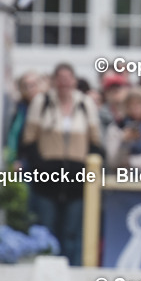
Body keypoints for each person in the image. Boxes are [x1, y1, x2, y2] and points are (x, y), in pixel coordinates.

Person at [21, 63, 102, 266]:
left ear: (74, 81)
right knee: (47, 228)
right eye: (60, 78)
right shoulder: (43, 102)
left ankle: (72, 271)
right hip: (48, 179)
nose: (65, 83)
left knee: (72, 231)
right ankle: (45, 270)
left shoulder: (85, 104)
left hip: (76, 179)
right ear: (54, 81)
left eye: (68, 78)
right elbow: (29, 139)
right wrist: (39, 166)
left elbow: (95, 142)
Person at [5, 71, 44, 169]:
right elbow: (14, 134)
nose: (29, 89)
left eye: (33, 85)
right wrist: (12, 159)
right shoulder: (20, 109)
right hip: (24, 161)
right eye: (25, 86)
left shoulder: (47, 107)